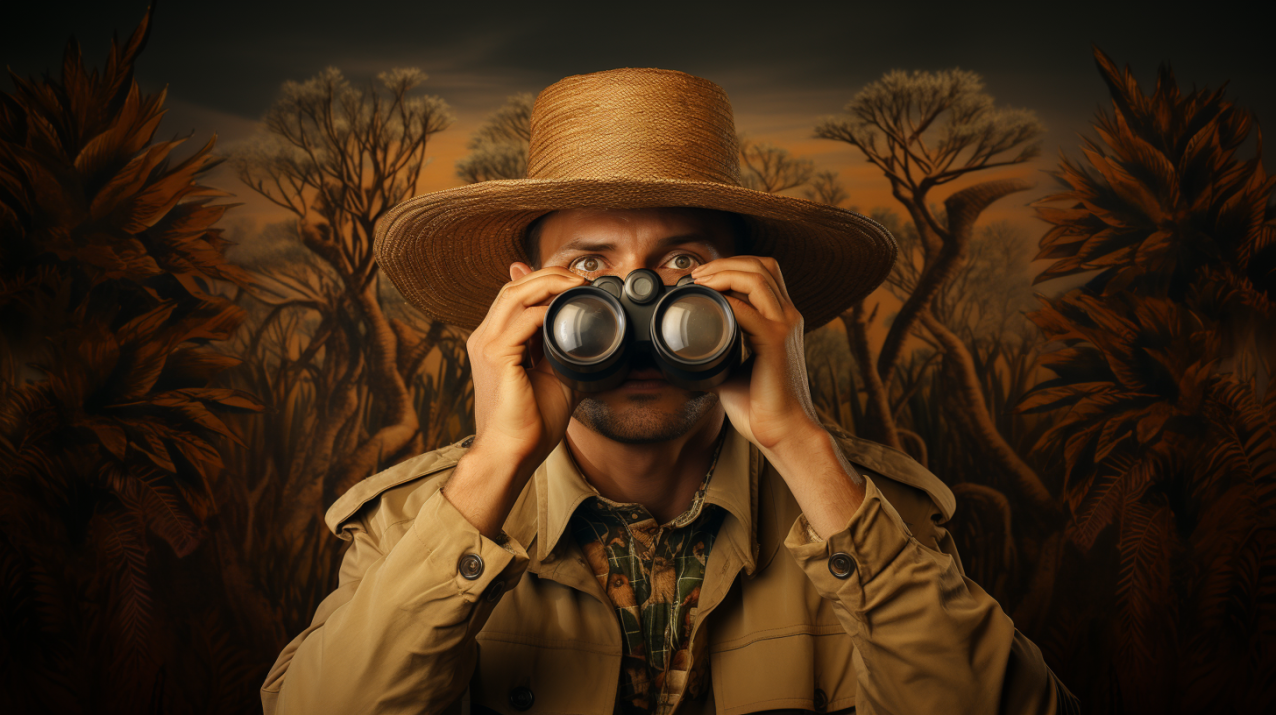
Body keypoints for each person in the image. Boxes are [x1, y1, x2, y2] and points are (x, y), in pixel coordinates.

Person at [260, 68, 1076, 715]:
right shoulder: (414, 522)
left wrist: (805, 449)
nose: (637, 305)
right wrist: (493, 465)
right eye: (589, 268)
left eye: (683, 263)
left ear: (759, 295)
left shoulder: (865, 518)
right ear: (520, 296)